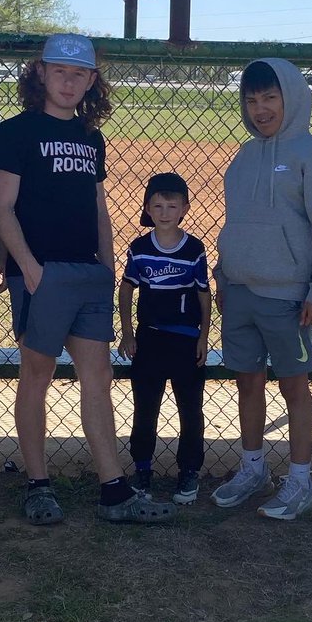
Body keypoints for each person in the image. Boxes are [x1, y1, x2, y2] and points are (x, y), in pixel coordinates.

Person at [0, 33, 175, 525]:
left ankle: (113, 489)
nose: (69, 81)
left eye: (79, 74)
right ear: (41, 74)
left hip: (87, 273)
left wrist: (108, 263)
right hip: (41, 273)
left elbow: (97, 205)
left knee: (99, 376)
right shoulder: (17, 133)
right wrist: (27, 267)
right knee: (37, 377)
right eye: (60, 71)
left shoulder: (91, 137)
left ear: (92, 80)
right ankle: (37, 483)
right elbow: (1, 207)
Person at [211, 57, 312, 521]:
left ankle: (300, 479)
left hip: (290, 296)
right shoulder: (245, 157)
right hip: (242, 292)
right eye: (251, 100)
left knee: (294, 387)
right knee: (247, 382)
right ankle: (253, 468)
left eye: (270, 98)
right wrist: (224, 275)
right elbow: (235, 225)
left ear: (290, 97)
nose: (260, 109)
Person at [118, 172, 211, 505]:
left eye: (172, 205)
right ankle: (142, 468)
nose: (165, 212)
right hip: (149, 339)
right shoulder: (140, 249)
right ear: (147, 208)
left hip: (186, 340)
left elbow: (203, 294)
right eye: (157, 205)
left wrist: (204, 335)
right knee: (145, 409)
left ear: (185, 207)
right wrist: (128, 332)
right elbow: (127, 288)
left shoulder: (194, 249)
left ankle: (189, 471)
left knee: (190, 409)